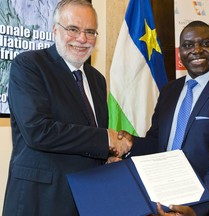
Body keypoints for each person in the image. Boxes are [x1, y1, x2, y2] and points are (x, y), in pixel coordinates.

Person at [2, 0, 131, 215]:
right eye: (73, 29)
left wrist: (104, 155)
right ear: (55, 30)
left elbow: (85, 136)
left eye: (90, 32)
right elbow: (38, 131)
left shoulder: (97, 80)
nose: (82, 39)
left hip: (86, 199)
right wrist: (105, 139)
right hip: (40, 200)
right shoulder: (29, 65)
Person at [117, 20, 209, 215]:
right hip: (165, 201)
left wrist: (195, 208)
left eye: (205, 43)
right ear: (180, 53)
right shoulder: (169, 91)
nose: (196, 50)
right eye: (188, 45)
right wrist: (131, 144)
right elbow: (157, 143)